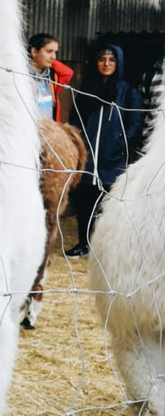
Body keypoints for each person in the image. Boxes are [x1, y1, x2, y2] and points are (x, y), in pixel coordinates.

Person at [65, 44, 145, 257]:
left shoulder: (128, 92)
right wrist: (78, 144)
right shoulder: (86, 89)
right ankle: (84, 244)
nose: (106, 64)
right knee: (85, 203)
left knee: (109, 205)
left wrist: (121, 143)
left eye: (111, 60)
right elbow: (74, 120)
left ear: (118, 63)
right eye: (102, 59)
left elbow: (136, 122)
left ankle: (106, 250)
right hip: (88, 157)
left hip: (113, 159)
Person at [28, 32, 74, 122]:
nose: (54, 57)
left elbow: (68, 73)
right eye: (49, 51)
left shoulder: (52, 77)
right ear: (34, 51)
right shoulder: (22, 76)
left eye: (55, 52)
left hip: (48, 131)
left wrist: (49, 61)